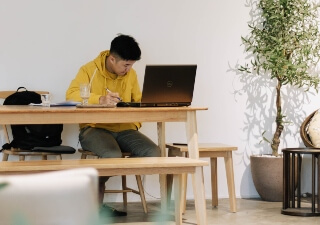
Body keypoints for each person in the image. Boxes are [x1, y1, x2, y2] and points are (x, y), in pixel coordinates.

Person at [66, 34, 161, 217]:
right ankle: (92, 199)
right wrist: (99, 99)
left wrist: (139, 118)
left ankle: (96, 188)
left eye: (131, 65)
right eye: (126, 65)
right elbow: (71, 95)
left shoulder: (130, 74)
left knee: (154, 153)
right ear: (112, 59)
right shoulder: (88, 70)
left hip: (125, 129)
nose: (129, 69)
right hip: (94, 129)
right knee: (112, 155)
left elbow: (138, 101)